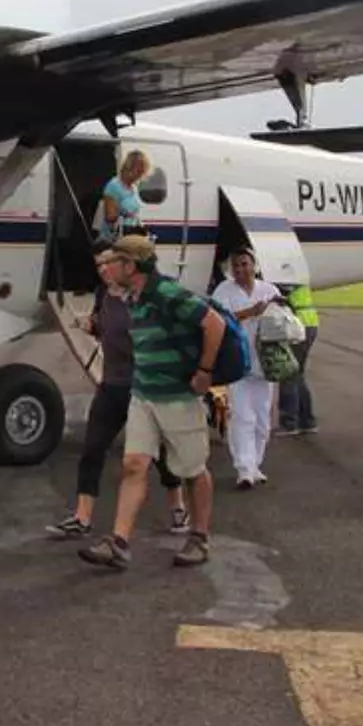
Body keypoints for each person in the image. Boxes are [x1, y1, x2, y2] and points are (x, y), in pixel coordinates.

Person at [78, 235, 223, 571]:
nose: (106, 267)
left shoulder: (168, 294)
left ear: (130, 265)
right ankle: (118, 543)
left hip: (176, 396)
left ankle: (199, 538)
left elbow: (214, 324)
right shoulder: (132, 297)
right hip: (143, 395)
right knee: (133, 464)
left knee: (193, 471)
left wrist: (204, 371)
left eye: (113, 261)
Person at [46, 240, 189, 540]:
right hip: (112, 384)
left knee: (160, 453)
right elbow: (103, 326)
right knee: (92, 449)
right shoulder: (104, 295)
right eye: (98, 265)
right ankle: (82, 517)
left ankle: (178, 507)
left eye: (108, 263)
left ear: (124, 264)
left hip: (143, 387)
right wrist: (90, 325)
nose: (103, 270)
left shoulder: (141, 295)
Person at [211, 249, 281, 489]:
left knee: (262, 418)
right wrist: (249, 313)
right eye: (236, 266)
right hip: (237, 362)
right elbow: (218, 319)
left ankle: (255, 465)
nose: (240, 270)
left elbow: (283, 318)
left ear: (254, 265)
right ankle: (244, 469)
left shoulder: (269, 290)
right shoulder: (224, 291)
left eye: (244, 264)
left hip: (265, 363)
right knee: (242, 416)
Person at [277, 279, 320, 435]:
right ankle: (307, 421)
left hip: (297, 325)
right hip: (309, 322)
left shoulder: (287, 278)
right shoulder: (298, 275)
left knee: (288, 373)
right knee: (297, 374)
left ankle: (289, 422)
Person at [95, 149, 150, 242]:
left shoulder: (133, 187)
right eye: (139, 172)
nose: (140, 176)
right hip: (115, 238)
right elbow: (110, 217)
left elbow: (134, 212)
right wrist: (125, 213)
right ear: (129, 168)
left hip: (131, 235)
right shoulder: (114, 186)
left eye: (142, 173)